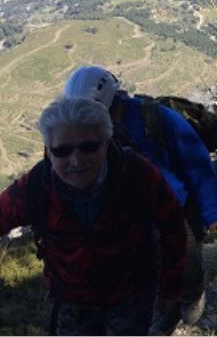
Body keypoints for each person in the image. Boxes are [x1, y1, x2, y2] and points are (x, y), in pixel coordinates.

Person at [0, 97, 187, 336]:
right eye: (63, 151)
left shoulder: (135, 174)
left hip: (131, 296)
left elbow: (173, 227)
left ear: (106, 144)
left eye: (89, 147)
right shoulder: (35, 188)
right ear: (48, 152)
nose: (76, 161)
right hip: (72, 302)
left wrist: (170, 288)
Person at [63, 65, 217, 329]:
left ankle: (192, 294)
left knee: (186, 263)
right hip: (129, 219)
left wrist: (211, 211)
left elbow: (197, 161)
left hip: (175, 210)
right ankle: (164, 313)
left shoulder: (156, 118)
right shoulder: (91, 132)